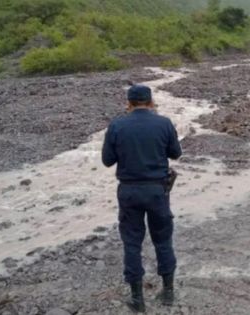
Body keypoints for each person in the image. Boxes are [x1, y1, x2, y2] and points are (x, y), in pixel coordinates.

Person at [102, 84, 182, 312]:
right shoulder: (164, 123)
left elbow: (107, 161)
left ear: (128, 103)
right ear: (150, 101)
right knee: (163, 240)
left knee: (132, 242)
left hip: (128, 191)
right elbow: (176, 153)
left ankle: (137, 299)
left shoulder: (117, 125)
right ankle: (168, 292)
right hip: (157, 190)